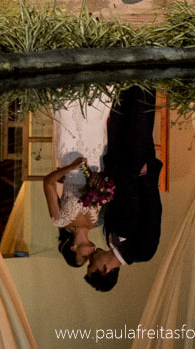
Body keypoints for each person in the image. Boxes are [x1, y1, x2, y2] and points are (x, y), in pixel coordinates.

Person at [85, 85, 163, 292]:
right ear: (105, 269)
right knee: (140, 113)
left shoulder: (108, 237)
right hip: (137, 167)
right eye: (91, 265)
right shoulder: (142, 252)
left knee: (119, 110)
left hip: (117, 163)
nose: (90, 259)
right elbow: (152, 212)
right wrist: (145, 176)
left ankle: (124, 76)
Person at [44, 91, 113, 267]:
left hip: (71, 158)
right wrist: (101, 181)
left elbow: (48, 183)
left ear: (73, 248)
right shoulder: (99, 221)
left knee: (69, 117)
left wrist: (70, 167)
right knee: (96, 121)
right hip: (96, 161)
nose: (89, 258)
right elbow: (111, 191)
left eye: (83, 258)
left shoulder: (60, 220)